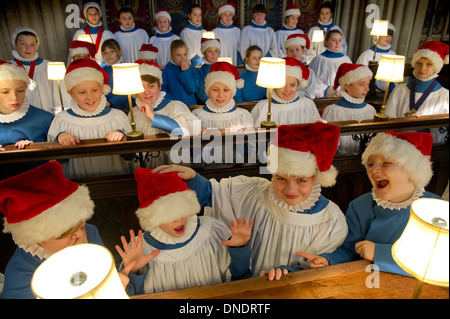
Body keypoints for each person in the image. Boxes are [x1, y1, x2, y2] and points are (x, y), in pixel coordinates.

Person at [157, 122, 348, 278]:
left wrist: (293, 272)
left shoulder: (329, 219)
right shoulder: (254, 192)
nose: (291, 189)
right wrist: (192, 177)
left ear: (315, 178)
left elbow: (327, 260)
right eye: (281, 178)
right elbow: (212, 195)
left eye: (301, 180)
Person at [298, 131, 442, 277]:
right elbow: (349, 250)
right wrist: (328, 260)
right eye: (370, 164)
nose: (374, 170)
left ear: (413, 171)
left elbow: (436, 261)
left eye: (386, 163)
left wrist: (379, 253)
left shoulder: (436, 209)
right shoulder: (360, 206)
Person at [116, 167, 253, 294]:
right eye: (169, 215)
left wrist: (240, 250)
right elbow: (133, 294)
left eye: (182, 210)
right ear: (154, 217)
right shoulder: (140, 249)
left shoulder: (210, 232)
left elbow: (236, 281)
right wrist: (134, 272)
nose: (178, 220)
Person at [0, 161, 104, 299]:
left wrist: (126, 275)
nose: (79, 235)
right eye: (66, 233)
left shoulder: (90, 233)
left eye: (80, 225)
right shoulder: (21, 274)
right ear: (38, 239)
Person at [47, 58, 135, 179]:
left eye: (94, 90)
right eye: (82, 92)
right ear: (71, 93)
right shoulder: (62, 120)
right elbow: (56, 162)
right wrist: (60, 139)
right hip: (78, 181)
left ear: (102, 89)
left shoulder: (118, 117)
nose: (90, 97)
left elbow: (131, 157)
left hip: (115, 179)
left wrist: (122, 137)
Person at [132, 60, 201, 167]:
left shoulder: (174, 106)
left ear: (159, 87)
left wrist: (153, 116)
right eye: (142, 88)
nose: (147, 92)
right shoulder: (134, 113)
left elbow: (181, 132)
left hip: (172, 164)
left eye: (151, 86)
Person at [385, 41, 449, 145]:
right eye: (419, 63)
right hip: (398, 142)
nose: (423, 68)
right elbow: (388, 119)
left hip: (425, 144)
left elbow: (442, 130)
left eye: (429, 64)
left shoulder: (444, 96)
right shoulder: (400, 90)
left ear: (436, 67)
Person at [191, 62, 253, 166]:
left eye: (226, 90)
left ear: (233, 91)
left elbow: (250, 149)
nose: (220, 95)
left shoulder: (243, 115)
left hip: (236, 169)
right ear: (208, 91)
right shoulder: (197, 115)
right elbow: (192, 151)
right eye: (215, 90)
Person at [0, 60, 53, 179]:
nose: (14, 97)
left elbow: (64, 159)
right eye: (5, 92)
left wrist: (37, 149)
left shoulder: (44, 119)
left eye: (20, 90)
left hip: (37, 183)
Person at [322, 63, 376, 155]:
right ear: (347, 86)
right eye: (362, 84)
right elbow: (329, 143)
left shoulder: (370, 110)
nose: (367, 89)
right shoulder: (333, 111)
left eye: (368, 84)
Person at [251, 57, 321, 126]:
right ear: (274, 85)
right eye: (283, 85)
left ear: (298, 85)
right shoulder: (263, 107)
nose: (287, 90)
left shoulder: (307, 105)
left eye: (292, 85)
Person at [10, 27, 60, 114]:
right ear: (15, 44)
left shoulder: (49, 66)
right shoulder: (8, 67)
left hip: (47, 113)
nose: (28, 48)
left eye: (32, 44)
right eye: (23, 43)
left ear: (37, 45)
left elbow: (58, 95)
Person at [308, 30, 352, 98]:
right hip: (325, 98)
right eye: (334, 40)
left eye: (340, 40)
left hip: (343, 96)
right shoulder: (320, 60)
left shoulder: (346, 60)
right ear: (326, 42)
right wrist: (328, 91)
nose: (337, 43)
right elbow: (313, 82)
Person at [356, 23, 397, 93]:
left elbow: (395, 76)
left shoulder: (393, 55)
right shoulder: (367, 54)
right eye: (385, 35)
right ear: (377, 36)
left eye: (390, 35)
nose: (388, 38)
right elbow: (360, 76)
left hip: (389, 92)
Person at [161, 39, 200, 106]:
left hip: (191, 105)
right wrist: (175, 103)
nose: (183, 58)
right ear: (172, 55)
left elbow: (193, 89)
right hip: (174, 107)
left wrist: (186, 72)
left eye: (185, 54)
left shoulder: (192, 69)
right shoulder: (166, 71)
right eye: (179, 55)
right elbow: (163, 92)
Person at [284, 34, 319, 99]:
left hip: (302, 103)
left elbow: (310, 94)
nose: (294, 53)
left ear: (303, 51)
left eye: (297, 49)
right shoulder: (281, 68)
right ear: (287, 52)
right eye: (291, 50)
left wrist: (292, 95)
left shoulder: (309, 72)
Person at [100, 39, 128, 110]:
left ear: (119, 52)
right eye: (105, 53)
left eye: (112, 51)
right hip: (106, 106)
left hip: (124, 106)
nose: (109, 55)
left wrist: (110, 102)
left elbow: (124, 91)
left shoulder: (125, 69)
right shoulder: (103, 70)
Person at [196, 37, 222, 104]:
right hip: (207, 103)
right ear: (204, 53)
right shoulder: (201, 71)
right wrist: (211, 102)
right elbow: (200, 91)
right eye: (210, 51)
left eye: (216, 51)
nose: (213, 54)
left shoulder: (223, 68)